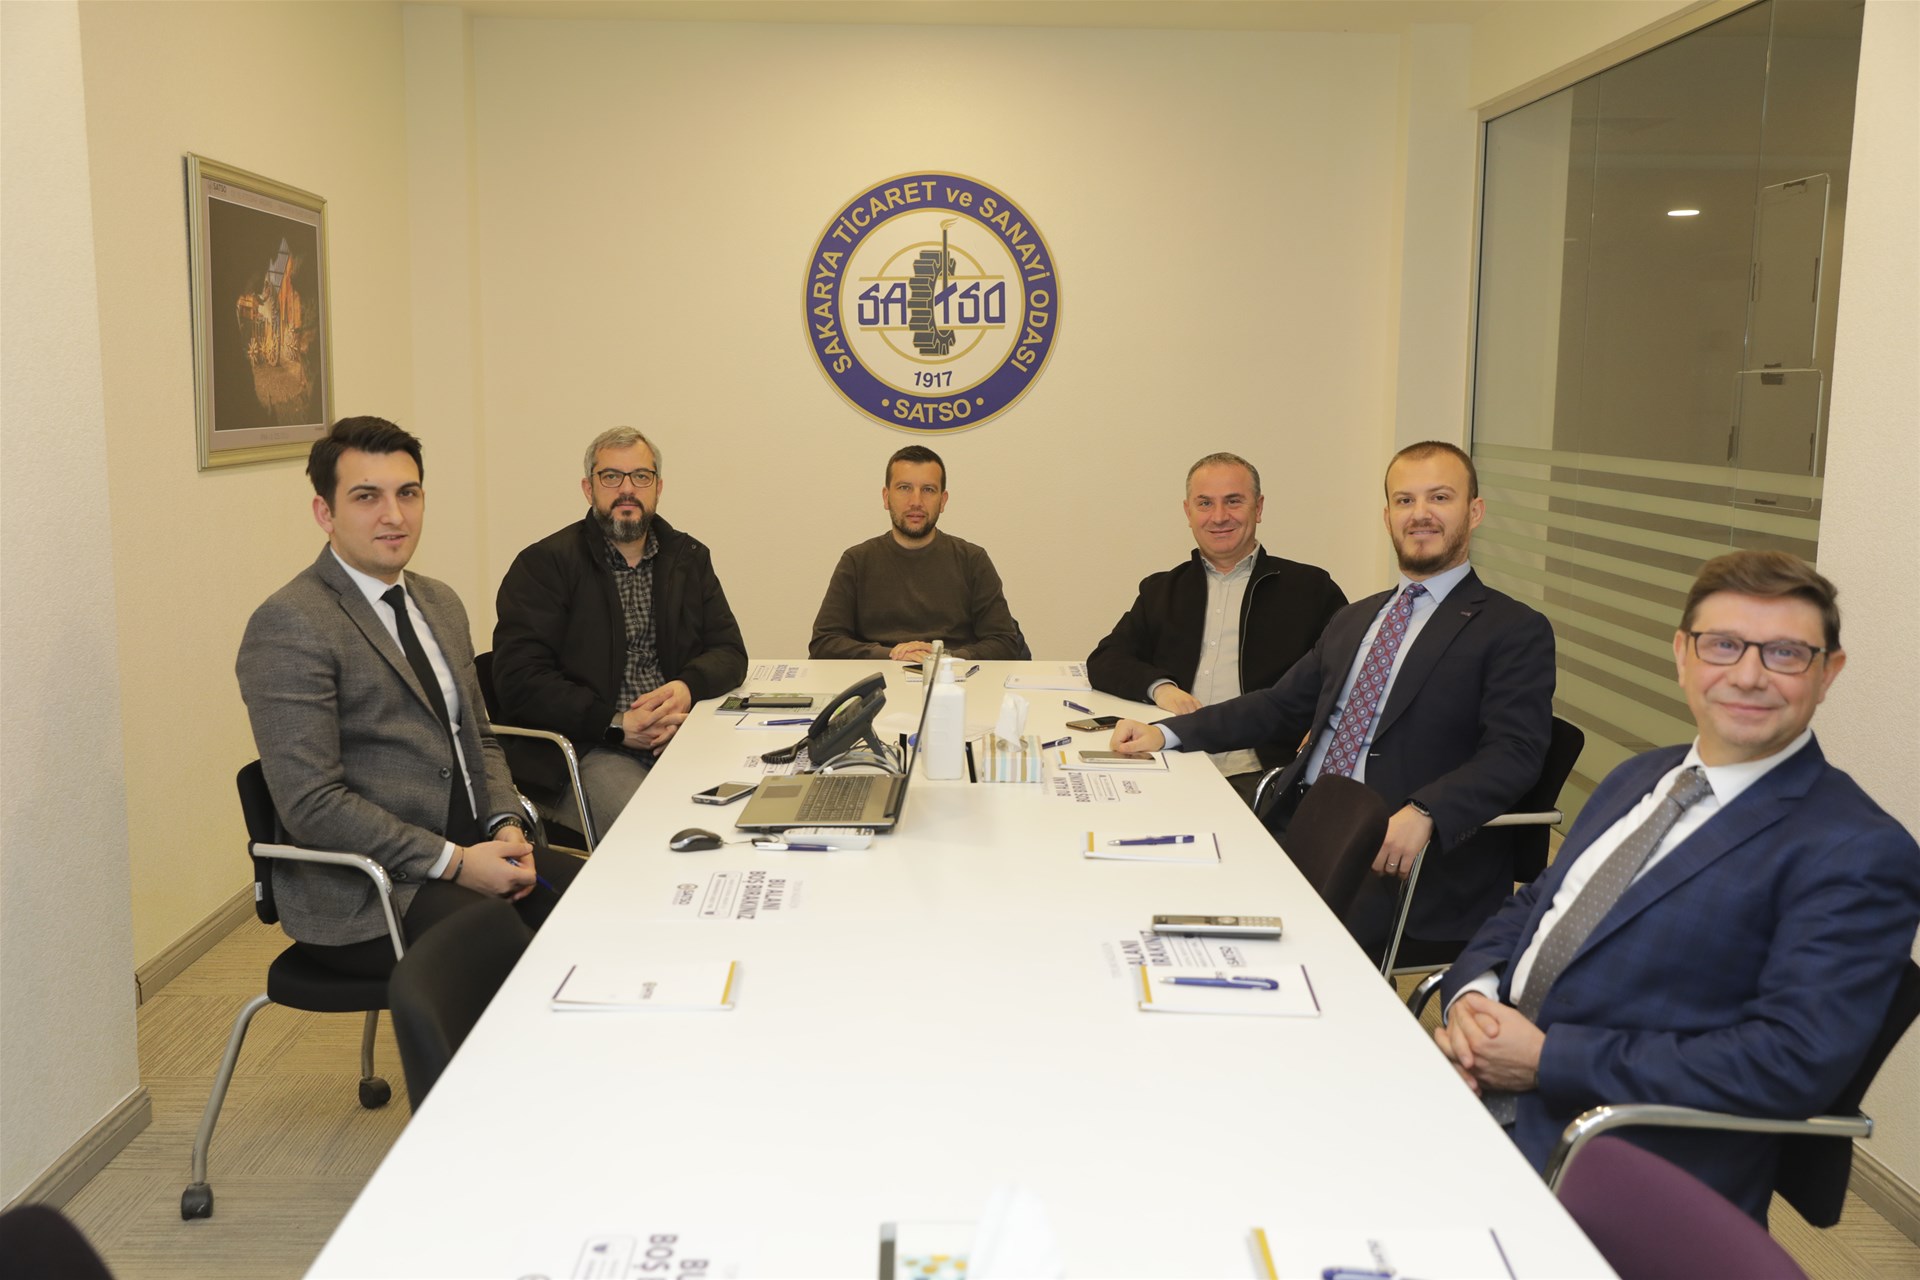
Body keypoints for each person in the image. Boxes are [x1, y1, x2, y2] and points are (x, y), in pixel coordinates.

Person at [1435, 551, 1920, 1222]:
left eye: (1785, 653)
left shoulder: (1857, 850)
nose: (1747, 675)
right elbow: (1537, 904)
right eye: (1722, 645)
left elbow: (1789, 1062)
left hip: (1618, 1158)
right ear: (1682, 655)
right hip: (1475, 1087)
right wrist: (1473, 998)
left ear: (1827, 672)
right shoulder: (1641, 776)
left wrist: (1546, 1060)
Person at [1111, 441, 1555, 959]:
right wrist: (1166, 733)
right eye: (1405, 501)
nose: (1420, 514)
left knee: (1226, 942)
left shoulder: (1511, 629)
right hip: (1299, 819)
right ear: (1387, 517)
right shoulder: (1357, 618)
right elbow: (1277, 706)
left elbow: (1516, 752)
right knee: (1149, 883)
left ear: (1474, 512)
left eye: (1440, 497)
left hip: (1392, 854)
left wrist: (1427, 810)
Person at [236, 417, 577, 977]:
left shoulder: (439, 602)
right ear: (325, 512)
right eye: (366, 497)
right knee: (516, 957)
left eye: (408, 493)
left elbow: (480, 739)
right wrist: (456, 862)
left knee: (598, 904)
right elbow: (312, 804)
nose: (394, 515)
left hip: (474, 847)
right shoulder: (291, 623)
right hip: (370, 890)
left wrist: (505, 826)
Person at [492, 427, 747, 836]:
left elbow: (729, 652)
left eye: (640, 476)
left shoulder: (688, 558)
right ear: (588, 488)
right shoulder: (543, 565)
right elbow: (519, 680)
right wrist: (615, 724)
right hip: (588, 747)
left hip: (677, 734)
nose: (627, 489)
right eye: (611, 476)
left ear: (658, 487)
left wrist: (686, 688)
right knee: (659, 831)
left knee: (749, 806)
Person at [1087, 452, 1346, 793]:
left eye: (1233, 501)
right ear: (1188, 512)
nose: (1219, 516)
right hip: (1171, 758)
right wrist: (1162, 689)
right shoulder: (1162, 590)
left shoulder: (1311, 589)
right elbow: (1105, 659)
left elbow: (1349, 674)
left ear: (1259, 508)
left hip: (1261, 774)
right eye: (1205, 503)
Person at [808, 444, 1028, 662]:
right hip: (880, 676)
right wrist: (891, 655)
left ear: (943, 501)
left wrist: (943, 658)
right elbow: (824, 642)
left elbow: (1004, 643)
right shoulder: (857, 561)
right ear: (886, 497)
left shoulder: (973, 560)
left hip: (954, 677)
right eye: (904, 488)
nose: (916, 502)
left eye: (928, 490)